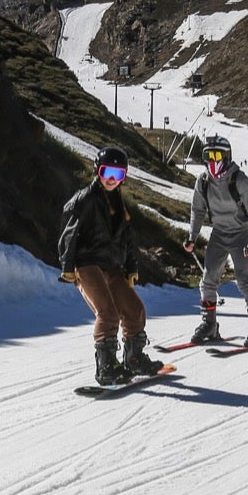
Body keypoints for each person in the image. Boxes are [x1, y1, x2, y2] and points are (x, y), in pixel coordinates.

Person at [59, 147, 166, 385]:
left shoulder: (120, 205)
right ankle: (106, 366)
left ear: (123, 177)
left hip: (111, 266)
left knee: (135, 309)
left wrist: (131, 268)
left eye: (118, 175)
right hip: (86, 264)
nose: (111, 179)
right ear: (98, 171)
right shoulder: (85, 199)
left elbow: (127, 240)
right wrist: (68, 266)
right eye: (107, 172)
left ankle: (134, 358)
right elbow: (69, 235)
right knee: (107, 313)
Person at [183, 134, 248, 347]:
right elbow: (197, 209)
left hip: (240, 234)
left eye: (218, 155)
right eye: (209, 156)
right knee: (208, 279)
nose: (214, 161)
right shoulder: (203, 180)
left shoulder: (239, 180)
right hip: (219, 234)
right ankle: (209, 325)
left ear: (228, 156)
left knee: (243, 279)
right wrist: (191, 237)